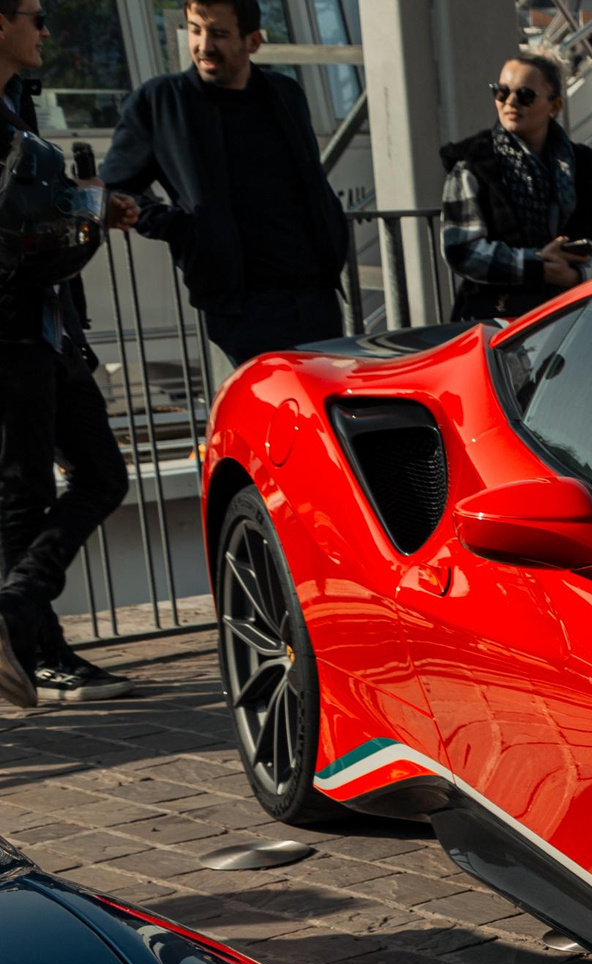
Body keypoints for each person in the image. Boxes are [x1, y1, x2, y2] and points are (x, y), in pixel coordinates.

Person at [0, 1, 138, 705]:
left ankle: (17, 613)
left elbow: (30, 209)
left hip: (50, 326)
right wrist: (81, 211)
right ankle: (38, 653)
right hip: (12, 330)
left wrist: (89, 206)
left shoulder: (17, 102)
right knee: (24, 493)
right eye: (35, 16)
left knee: (101, 473)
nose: (46, 30)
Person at [102, 0, 350, 367]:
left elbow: (309, 180)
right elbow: (116, 186)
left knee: (324, 397)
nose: (204, 46)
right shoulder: (162, 101)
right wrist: (179, 228)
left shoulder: (285, 94)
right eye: (195, 30)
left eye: (218, 34)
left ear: (253, 42)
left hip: (315, 294)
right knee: (272, 398)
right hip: (241, 304)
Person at [439, 53, 592, 321]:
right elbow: (462, 250)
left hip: (573, 319)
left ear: (554, 106)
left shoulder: (585, 171)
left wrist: (575, 275)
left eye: (525, 95)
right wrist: (536, 265)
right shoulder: (472, 164)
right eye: (501, 92)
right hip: (496, 321)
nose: (510, 102)